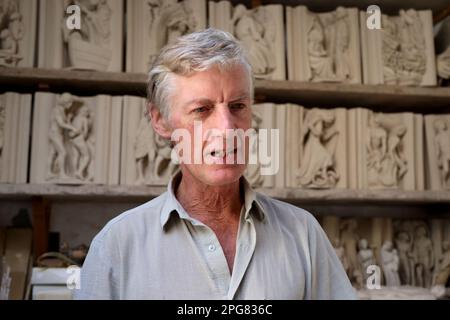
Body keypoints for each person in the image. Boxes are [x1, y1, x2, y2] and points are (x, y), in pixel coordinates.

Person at [76, 28, 356, 300]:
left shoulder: (302, 233)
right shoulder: (117, 244)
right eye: (202, 109)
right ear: (160, 120)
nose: (226, 128)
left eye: (237, 106)